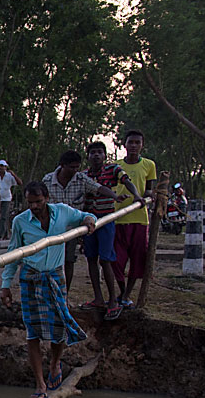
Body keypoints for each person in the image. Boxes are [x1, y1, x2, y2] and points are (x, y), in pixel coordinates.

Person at [0, 181, 96, 398]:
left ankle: (54, 364)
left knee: (59, 326)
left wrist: (90, 219)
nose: (34, 206)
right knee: (32, 332)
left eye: (38, 202)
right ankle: (40, 384)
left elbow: (85, 216)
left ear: (47, 198)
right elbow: (12, 254)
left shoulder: (62, 212)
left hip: (54, 275)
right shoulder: (20, 221)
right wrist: (6, 285)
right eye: (30, 202)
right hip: (31, 279)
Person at [82, 141, 142, 320]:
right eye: (93, 153)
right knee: (91, 259)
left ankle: (113, 300)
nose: (96, 156)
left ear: (104, 155)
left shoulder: (113, 170)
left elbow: (127, 181)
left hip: (106, 220)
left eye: (100, 152)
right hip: (88, 222)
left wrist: (136, 195)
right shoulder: (83, 175)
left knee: (105, 260)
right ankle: (98, 298)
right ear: (89, 156)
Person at [41, 149, 118, 285]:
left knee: (69, 261)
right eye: (72, 167)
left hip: (71, 230)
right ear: (62, 165)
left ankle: (65, 295)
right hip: (51, 229)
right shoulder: (47, 181)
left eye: (77, 167)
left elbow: (98, 188)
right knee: (50, 262)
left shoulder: (81, 179)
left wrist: (115, 197)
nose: (75, 170)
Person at [111, 130, 156, 308]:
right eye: (131, 142)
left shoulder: (149, 165)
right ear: (125, 144)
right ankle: (120, 292)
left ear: (142, 145)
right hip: (118, 218)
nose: (134, 146)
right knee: (115, 260)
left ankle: (127, 295)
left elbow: (149, 190)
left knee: (138, 259)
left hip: (139, 219)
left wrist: (147, 198)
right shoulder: (116, 166)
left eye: (138, 142)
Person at [0, 160, 19, 239]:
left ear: (5, 167)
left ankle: (1, 235)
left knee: (4, 217)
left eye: (2, 166)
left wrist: (13, 174)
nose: (0, 168)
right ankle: (5, 233)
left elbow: (19, 183)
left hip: (6, 199)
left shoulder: (9, 176)